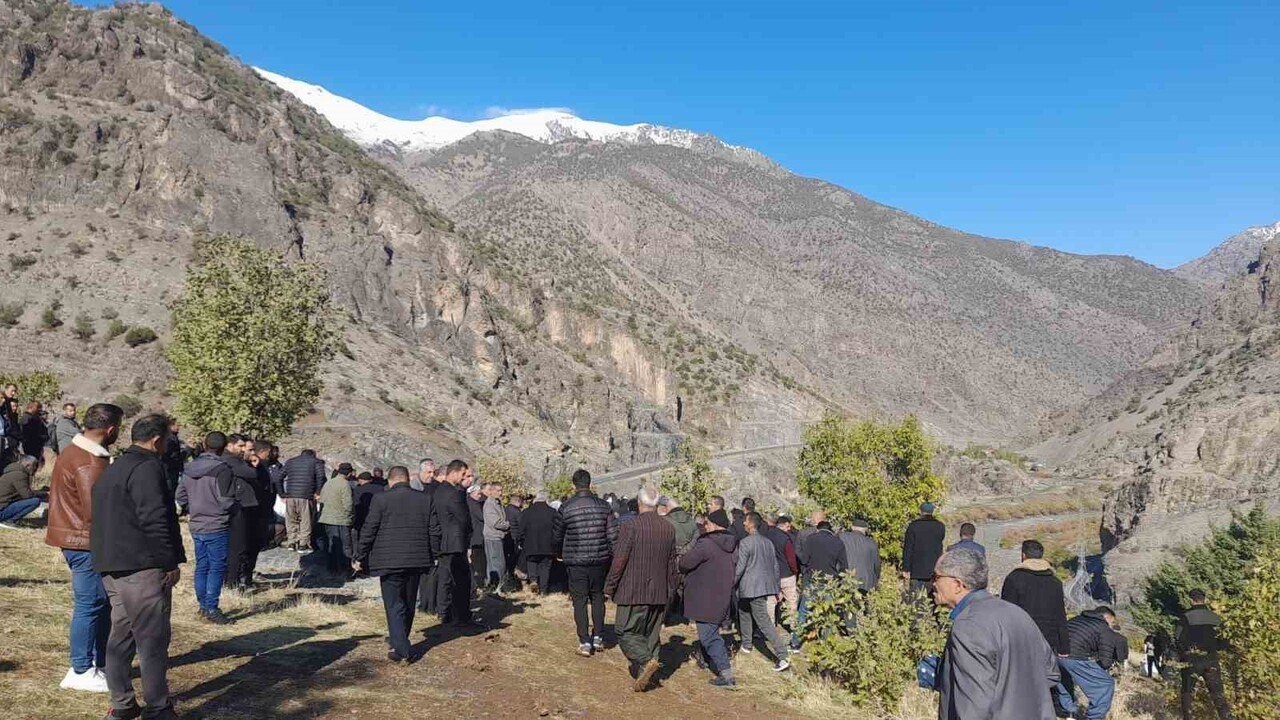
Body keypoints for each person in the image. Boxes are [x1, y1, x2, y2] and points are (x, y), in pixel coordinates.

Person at [91, 414, 185, 720]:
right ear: (157, 440)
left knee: (121, 636)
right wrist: (167, 562)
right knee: (152, 640)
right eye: (169, 440)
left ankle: (122, 704)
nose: (170, 445)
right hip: (140, 566)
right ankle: (157, 707)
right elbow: (155, 519)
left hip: (112, 564)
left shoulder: (114, 468)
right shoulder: (147, 468)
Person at [45, 402, 123, 694]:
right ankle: (80, 668)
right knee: (90, 604)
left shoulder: (74, 452)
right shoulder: (90, 462)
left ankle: (94, 664)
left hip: (76, 537)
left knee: (96, 603)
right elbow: (97, 511)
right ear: (111, 429)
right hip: (85, 541)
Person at [933, 547, 1059, 720]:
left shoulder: (969, 625)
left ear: (957, 584)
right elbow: (1051, 673)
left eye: (937, 577)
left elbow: (973, 705)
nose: (933, 583)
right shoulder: (1017, 613)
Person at [354, 466, 435, 664]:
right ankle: (400, 639)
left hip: (389, 560)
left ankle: (402, 649)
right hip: (417, 559)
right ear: (408, 479)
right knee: (408, 603)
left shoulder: (381, 499)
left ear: (390, 481)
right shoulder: (425, 499)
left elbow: (369, 529)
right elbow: (434, 530)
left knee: (394, 604)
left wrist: (359, 556)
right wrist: (433, 555)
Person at [605, 487, 676, 692]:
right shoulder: (668, 528)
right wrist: (671, 589)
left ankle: (646, 662)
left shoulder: (631, 526)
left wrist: (610, 586)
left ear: (639, 502)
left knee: (625, 630)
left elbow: (619, 560)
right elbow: (672, 563)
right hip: (660, 591)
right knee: (651, 634)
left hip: (632, 589)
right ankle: (647, 676)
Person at [1000, 539, 1071, 712]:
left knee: (1021, 676)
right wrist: (1064, 645)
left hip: (1020, 636)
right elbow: (1060, 615)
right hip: (1048, 638)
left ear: (1023, 555)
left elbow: (1005, 611)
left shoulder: (1014, 578)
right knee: (1044, 677)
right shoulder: (1055, 582)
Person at [175, 432, 236, 625]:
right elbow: (226, 501)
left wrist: (191, 508)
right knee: (216, 567)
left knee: (202, 565)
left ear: (204, 444)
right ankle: (212, 607)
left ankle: (203, 606)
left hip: (196, 524)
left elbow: (181, 497)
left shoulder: (188, 468)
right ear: (224, 446)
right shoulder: (223, 469)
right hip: (216, 524)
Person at [555, 469, 617, 656]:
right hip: (600, 559)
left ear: (573, 486)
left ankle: (584, 641)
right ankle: (598, 636)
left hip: (576, 561)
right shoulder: (604, 507)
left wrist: (558, 553)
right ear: (590, 484)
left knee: (580, 601)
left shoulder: (566, 508)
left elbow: (557, 535)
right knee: (598, 597)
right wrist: (613, 557)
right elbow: (613, 536)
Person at [680, 507, 738, 687]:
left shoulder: (706, 544)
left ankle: (726, 675)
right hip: (722, 595)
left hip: (705, 596)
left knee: (708, 635)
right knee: (710, 630)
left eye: (707, 523)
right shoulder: (732, 544)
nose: (705, 526)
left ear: (713, 524)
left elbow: (686, 562)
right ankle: (704, 659)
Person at [734, 512, 789, 671]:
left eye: (745, 521)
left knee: (763, 621)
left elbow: (740, 568)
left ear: (751, 523)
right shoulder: (768, 543)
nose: (743, 524)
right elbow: (775, 567)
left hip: (751, 587)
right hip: (763, 586)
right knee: (743, 611)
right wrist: (776, 587)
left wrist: (732, 582)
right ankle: (746, 645)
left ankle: (782, 656)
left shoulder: (745, 543)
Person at [1059, 606, 1127, 720]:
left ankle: (1068, 711)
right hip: (1073, 657)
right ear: (1106, 617)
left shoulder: (1076, 619)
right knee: (1106, 684)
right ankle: (1094, 717)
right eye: (1113, 622)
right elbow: (1105, 662)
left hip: (1054, 654)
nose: (1113, 626)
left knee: (1065, 679)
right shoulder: (1104, 628)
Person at [1176, 589, 1235, 720]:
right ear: (1204, 599)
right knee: (1218, 695)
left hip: (1191, 660)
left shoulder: (1185, 616)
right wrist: (1214, 649)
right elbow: (1225, 640)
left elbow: (1178, 638)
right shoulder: (1215, 617)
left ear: (1190, 600)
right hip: (1211, 659)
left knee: (1187, 692)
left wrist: (1183, 654)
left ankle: (1188, 717)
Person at [430, 460, 475, 626]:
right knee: (461, 581)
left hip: (444, 540)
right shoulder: (454, 493)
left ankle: (444, 612)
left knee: (445, 579)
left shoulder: (439, 490)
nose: (464, 478)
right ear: (454, 472)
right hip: (456, 542)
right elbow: (464, 519)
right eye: (463, 474)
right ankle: (461, 616)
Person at [790, 519, 845, 650]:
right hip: (829, 581)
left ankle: (795, 643)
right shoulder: (838, 542)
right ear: (830, 530)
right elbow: (844, 565)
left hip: (812, 579)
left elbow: (804, 559)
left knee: (803, 611)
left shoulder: (811, 539)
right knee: (828, 612)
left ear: (818, 529)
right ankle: (826, 645)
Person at [222, 435, 261, 591]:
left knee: (240, 546)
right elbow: (250, 473)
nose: (243, 450)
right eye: (240, 446)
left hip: (242, 506)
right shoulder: (230, 460)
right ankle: (231, 582)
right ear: (229, 446)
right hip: (237, 507)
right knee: (236, 547)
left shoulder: (235, 460)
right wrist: (253, 465)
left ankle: (235, 579)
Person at [280, 449, 326, 553]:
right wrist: (318, 492)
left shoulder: (291, 461)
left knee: (291, 520)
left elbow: (279, 477)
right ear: (313, 455)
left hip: (291, 495)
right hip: (306, 495)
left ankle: (291, 542)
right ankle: (303, 545)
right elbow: (321, 476)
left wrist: (282, 494)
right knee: (306, 521)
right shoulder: (316, 462)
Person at [318, 460, 355, 576]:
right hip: (341, 519)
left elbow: (321, 500)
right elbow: (348, 504)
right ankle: (345, 569)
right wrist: (351, 516)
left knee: (332, 544)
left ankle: (332, 569)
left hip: (326, 518)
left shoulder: (329, 483)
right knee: (345, 546)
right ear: (349, 473)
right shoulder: (345, 484)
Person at [762, 514, 799, 624]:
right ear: (786, 525)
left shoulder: (767, 536)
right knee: (791, 601)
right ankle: (793, 626)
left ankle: (770, 627)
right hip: (787, 574)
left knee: (770, 602)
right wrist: (795, 571)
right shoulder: (785, 538)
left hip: (771, 574)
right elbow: (791, 558)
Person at [901, 502, 945, 595]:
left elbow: (908, 548)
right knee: (932, 599)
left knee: (916, 598)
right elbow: (940, 547)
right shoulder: (940, 526)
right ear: (932, 511)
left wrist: (906, 568)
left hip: (916, 569)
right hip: (933, 569)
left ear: (921, 511)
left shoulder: (913, 526)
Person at [518, 491, 558, 594]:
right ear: (546, 499)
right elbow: (557, 529)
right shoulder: (553, 512)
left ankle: (533, 580)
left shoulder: (526, 512)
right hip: (548, 546)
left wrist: (521, 542)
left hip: (530, 545)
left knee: (531, 563)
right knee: (545, 567)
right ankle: (543, 590)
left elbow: (521, 530)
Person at [837, 518, 882, 592]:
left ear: (852, 527)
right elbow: (877, 566)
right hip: (866, 583)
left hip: (845, 579)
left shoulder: (841, 537)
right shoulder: (872, 543)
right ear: (865, 529)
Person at [482, 482, 511, 592]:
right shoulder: (489, 504)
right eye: (498, 490)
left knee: (497, 562)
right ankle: (496, 586)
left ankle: (496, 586)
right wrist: (508, 525)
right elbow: (496, 522)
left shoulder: (497, 503)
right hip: (492, 537)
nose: (501, 493)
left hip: (498, 536)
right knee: (497, 563)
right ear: (492, 491)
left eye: (501, 490)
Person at [0, 455, 44, 527]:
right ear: (28, 465)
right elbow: (27, 495)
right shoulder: (20, 475)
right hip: (1, 512)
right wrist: (43, 495)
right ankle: (9, 521)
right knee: (35, 501)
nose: (35, 470)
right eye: (34, 467)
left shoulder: (11, 472)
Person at [467, 481, 487, 594]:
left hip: (477, 536)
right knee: (477, 563)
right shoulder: (473, 504)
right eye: (478, 494)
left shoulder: (473, 503)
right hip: (476, 537)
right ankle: (476, 585)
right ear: (473, 493)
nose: (480, 496)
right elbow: (482, 517)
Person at [352, 471, 384, 537]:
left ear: (361, 480)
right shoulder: (379, 488)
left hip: (361, 518)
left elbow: (356, 504)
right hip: (376, 516)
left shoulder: (358, 489)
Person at [0, 383, 22, 462]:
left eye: (15, 391)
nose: (13, 393)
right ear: (6, 389)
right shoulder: (3, 402)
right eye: (12, 390)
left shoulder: (8, 402)